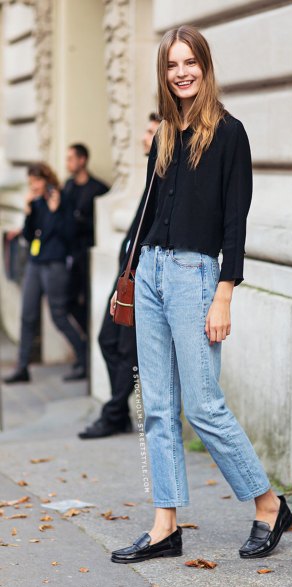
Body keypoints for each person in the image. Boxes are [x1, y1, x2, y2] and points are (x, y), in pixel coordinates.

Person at [109, 25, 292, 565]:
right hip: (150, 275)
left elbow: (235, 223)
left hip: (195, 278)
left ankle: (267, 504)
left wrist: (224, 294)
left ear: (205, 67)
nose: (181, 72)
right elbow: (148, 211)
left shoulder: (230, 134)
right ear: (164, 74)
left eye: (189, 63)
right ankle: (165, 524)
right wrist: (133, 269)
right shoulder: (166, 132)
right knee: (159, 409)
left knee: (205, 406)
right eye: (172, 65)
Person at [78, 112, 162, 439]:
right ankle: (118, 411)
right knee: (106, 339)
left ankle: (114, 412)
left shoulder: (164, 177)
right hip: (125, 275)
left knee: (127, 349)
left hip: (139, 276)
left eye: (150, 132)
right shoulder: (150, 173)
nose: (145, 137)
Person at [3, 163, 87, 384]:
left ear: (47, 180)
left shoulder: (62, 200)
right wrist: (28, 212)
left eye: (37, 182)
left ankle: (84, 358)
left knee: (59, 315)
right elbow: (31, 237)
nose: (34, 186)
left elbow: (69, 234)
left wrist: (55, 211)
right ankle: (22, 367)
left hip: (55, 265)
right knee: (27, 315)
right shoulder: (37, 203)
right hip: (35, 263)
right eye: (31, 183)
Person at [62, 143, 109, 380]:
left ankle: (89, 358)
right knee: (68, 302)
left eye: (71, 158)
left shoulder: (98, 188)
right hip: (71, 256)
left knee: (91, 303)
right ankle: (85, 344)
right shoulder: (68, 187)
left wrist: (78, 221)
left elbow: (100, 224)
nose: (67, 163)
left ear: (83, 160)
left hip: (89, 255)